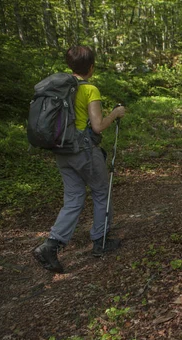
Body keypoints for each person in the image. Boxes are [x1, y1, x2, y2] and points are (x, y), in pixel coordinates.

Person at [32, 45, 126, 273]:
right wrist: (115, 114)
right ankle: (100, 242)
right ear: (91, 67)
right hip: (84, 151)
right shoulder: (89, 89)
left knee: (73, 198)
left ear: (70, 65)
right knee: (101, 191)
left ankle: (51, 245)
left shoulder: (60, 88)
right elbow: (97, 126)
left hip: (62, 151)